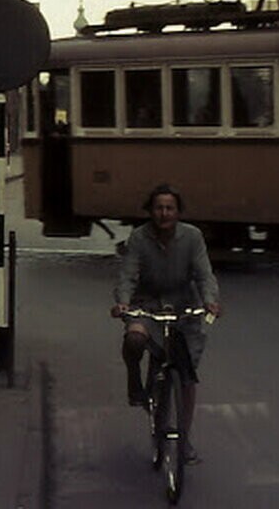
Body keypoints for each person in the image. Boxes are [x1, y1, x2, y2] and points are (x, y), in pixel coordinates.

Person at [111, 184, 221, 463]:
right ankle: (134, 381)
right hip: (147, 305)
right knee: (134, 338)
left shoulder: (192, 237)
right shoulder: (139, 238)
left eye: (169, 208)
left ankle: (184, 440)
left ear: (178, 212)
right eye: (159, 208)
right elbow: (127, 274)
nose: (164, 213)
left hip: (185, 307)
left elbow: (204, 274)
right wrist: (123, 301)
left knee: (186, 376)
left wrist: (210, 300)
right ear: (151, 211)